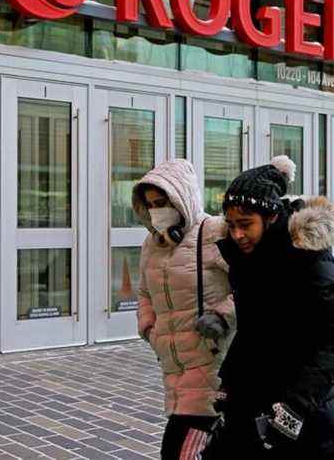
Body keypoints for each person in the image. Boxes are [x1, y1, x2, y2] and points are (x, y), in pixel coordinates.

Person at [214, 155, 334, 459]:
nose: (237, 234)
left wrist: (294, 409)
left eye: (246, 224)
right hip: (250, 409)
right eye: (232, 225)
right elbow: (251, 331)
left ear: (271, 217)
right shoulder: (244, 258)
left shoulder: (310, 257)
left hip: (305, 416)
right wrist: (227, 385)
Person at [132, 159, 235, 460]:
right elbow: (144, 292)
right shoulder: (152, 243)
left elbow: (253, 286)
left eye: (162, 202)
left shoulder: (214, 232)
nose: (156, 211)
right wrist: (149, 328)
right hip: (173, 365)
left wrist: (221, 315)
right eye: (150, 204)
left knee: (181, 450)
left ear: (182, 198)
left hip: (214, 363)